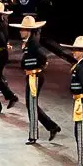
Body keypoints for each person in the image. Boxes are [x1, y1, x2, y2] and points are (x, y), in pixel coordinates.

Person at [9, 16, 61, 144]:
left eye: (23, 29)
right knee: (31, 104)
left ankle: (33, 135)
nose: (20, 31)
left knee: (31, 105)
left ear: (29, 30)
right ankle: (52, 126)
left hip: (35, 77)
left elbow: (43, 58)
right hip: (31, 75)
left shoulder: (33, 43)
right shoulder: (29, 42)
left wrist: (38, 67)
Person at [62, 36, 83, 166]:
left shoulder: (82, 66)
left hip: (82, 103)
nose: (73, 52)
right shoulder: (81, 64)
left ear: (82, 52)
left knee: (81, 135)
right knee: (80, 134)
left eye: (76, 50)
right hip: (80, 102)